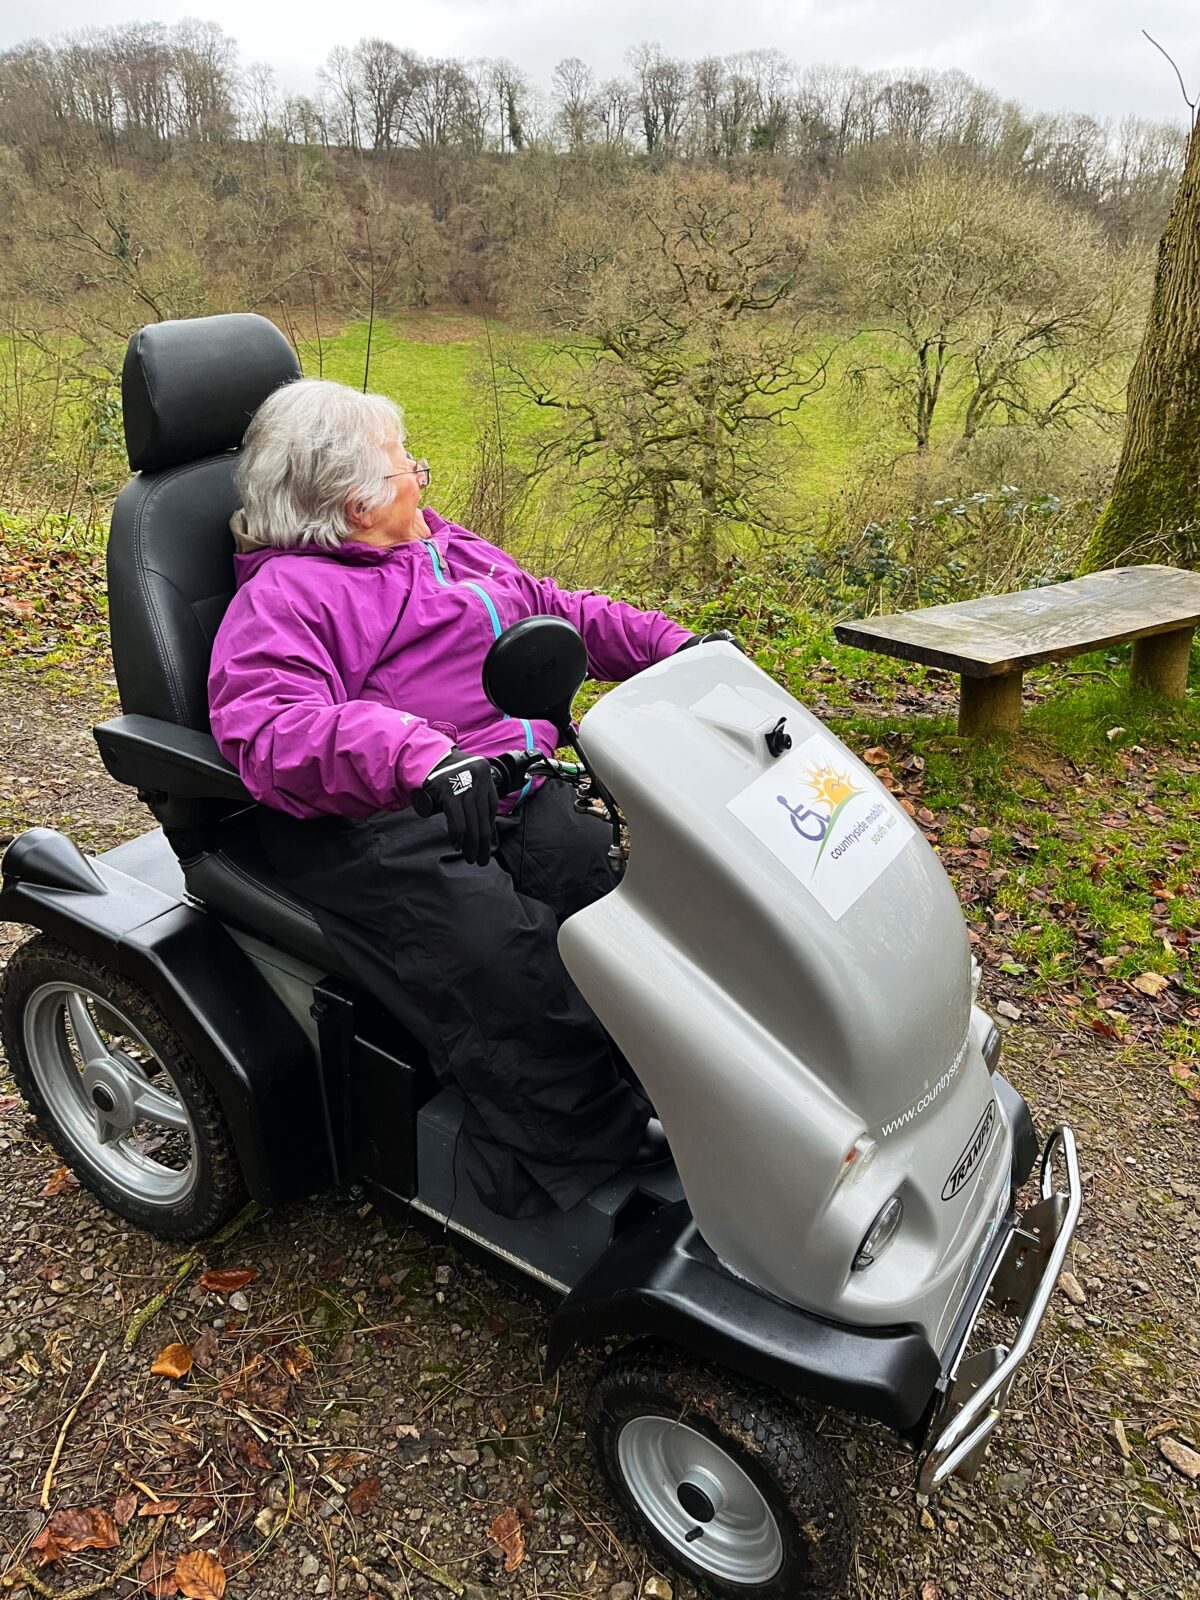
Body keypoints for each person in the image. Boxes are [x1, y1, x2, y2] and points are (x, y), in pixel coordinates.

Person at [208, 377, 723, 1219]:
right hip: (375, 819)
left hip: (501, 786)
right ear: (356, 501)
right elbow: (266, 729)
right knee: (511, 962)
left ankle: (677, 1091)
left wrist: (679, 647)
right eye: (406, 461)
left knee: (628, 902)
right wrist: (416, 754)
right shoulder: (290, 596)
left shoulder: (442, 544)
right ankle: (585, 1160)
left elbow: (554, 610)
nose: (420, 472)